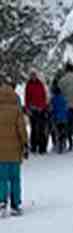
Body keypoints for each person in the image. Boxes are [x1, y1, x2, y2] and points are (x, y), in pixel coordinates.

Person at [0, 77, 29, 216]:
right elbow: (21, 129)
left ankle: (2, 201)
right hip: (14, 150)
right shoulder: (16, 110)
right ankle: (15, 204)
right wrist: (25, 143)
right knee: (15, 178)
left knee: (1, 178)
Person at [58, 63, 73, 151]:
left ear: (66, 69)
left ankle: (70, 144)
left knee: (67, 126)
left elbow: (60, 92)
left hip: (66, 106)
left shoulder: (62, 80)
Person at [24, 71, 49, 154]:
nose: (33, 77)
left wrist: (43, 107)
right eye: (32, 75)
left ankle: (42, 147)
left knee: (41, 129)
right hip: (32, 109)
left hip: (41, 109)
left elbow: (44, 96)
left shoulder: (40, 84)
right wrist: (28, 108)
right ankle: (34, 146)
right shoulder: (28, 85)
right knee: (34, 129)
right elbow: (26, 97)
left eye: (34, 75)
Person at [49, 85, 69, 154]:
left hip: (56, 118)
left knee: (56, 131)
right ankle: (63, 143)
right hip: (64, 118)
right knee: (63, 130)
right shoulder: (64, 99)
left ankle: (57, 145)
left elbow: (51, 108)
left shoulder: (53, 99)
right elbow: (66, 108)